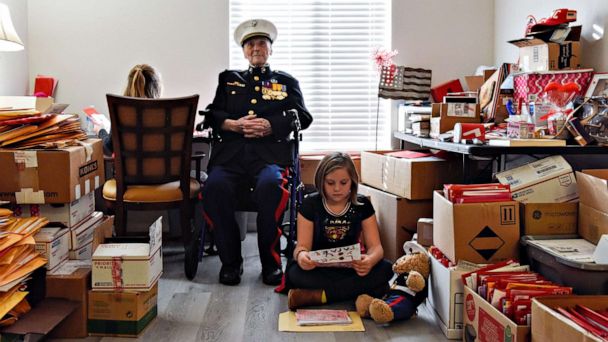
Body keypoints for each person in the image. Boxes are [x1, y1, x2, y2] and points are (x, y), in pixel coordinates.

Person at [202, 19, 313, 286]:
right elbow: (213, 114)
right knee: (214, 187)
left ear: (270, 49)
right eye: (250, 44)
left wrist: (271, 126)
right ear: (244, 51)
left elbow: (304, 117)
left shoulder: (286, 82)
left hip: (269, 158)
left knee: (271, 186)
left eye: (261, 43)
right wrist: (232, 124)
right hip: (231, 158)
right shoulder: (228, 79)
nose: (256, 48)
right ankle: (231, 263)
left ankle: (271, 263)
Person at [285, 152, 393, 310]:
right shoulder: (310, 204)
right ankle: (356, 291)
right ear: (321, 181)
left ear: (352, 182)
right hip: (318, 270)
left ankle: (320, 296)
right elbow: (301, 247)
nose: (337, 189)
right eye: (330, 183)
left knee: (386, 268)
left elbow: (376, 248)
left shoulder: (362, 205)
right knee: (294, 272)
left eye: (343, 182)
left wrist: (369, 261)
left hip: (350, 269)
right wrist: (302, 257)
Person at [96, 64, 162, 155]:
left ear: (130, 87)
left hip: (129, 169)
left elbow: (108, 148)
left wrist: (101, 130)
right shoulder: (170, 113)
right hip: (167, 169)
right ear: (158, 88)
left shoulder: (122, 112)